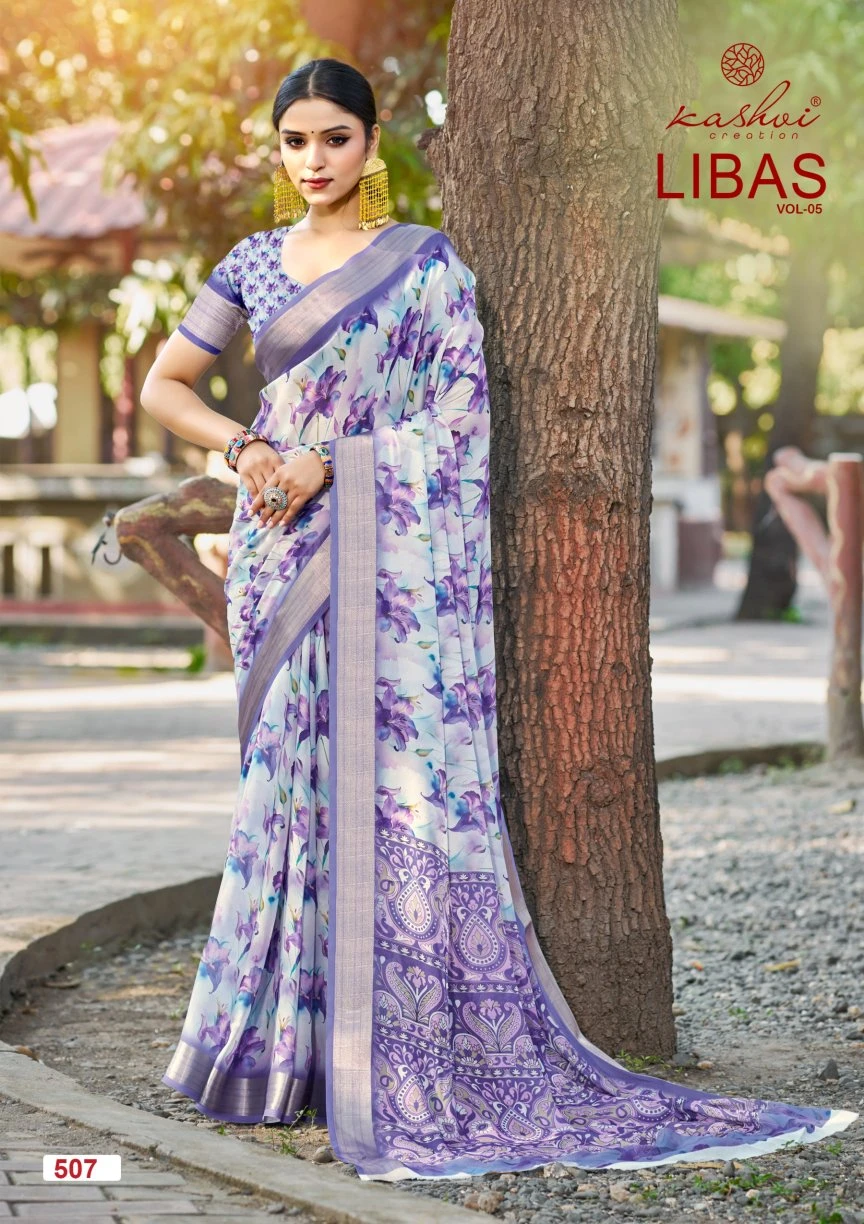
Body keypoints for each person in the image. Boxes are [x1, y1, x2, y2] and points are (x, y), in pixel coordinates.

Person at [141, 57, 858, 1182]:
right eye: (295, 141)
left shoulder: (423, 265)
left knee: (392, 790)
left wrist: (337, 460)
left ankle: (392, 1051)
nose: (315, 160)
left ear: (372, 143)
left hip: (381, 554)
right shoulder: (250, 264)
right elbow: (164, 385)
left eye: (335, 138)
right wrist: (248, 447)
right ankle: (281, 1054)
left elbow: (458, 416)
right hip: (279, 555)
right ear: (278, 150)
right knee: (289, 786)